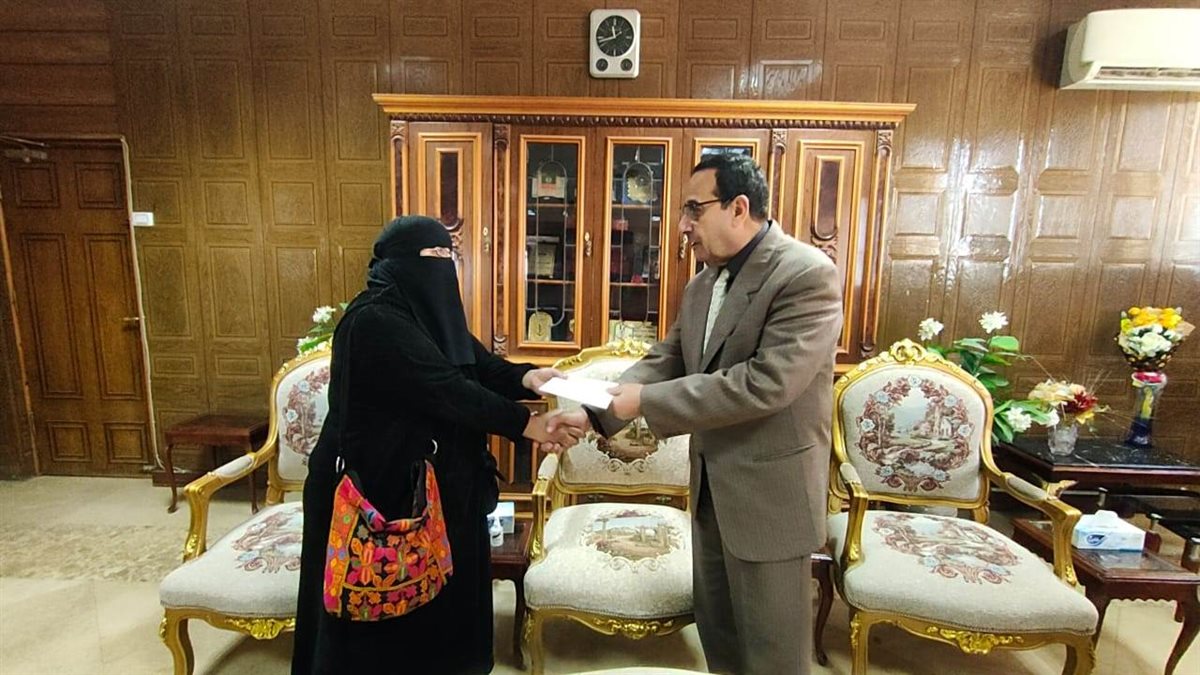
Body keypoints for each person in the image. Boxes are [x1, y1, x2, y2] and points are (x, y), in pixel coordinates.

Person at [292, 215, 587, 675]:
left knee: (443, 607)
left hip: (440, 484)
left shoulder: (428, 312)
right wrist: (528, 425)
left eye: (449, 254)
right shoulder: (374, 320)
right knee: (386, 614)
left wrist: (529, 376)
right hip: (380, 489)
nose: (443, 264)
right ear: (398, 261)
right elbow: (447, 389)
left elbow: (477, 365)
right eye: (433, 255)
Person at [588, 154, 843, 674]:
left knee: (773, 656)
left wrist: (644, 402)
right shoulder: (703, 283)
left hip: (769, 499)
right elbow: (670, 358)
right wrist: (595, 407)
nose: (682, 226)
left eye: (693, 210)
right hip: (709, 493)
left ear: (738, 208)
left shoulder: (805, 274)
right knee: (721, 643)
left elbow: (765, 383)